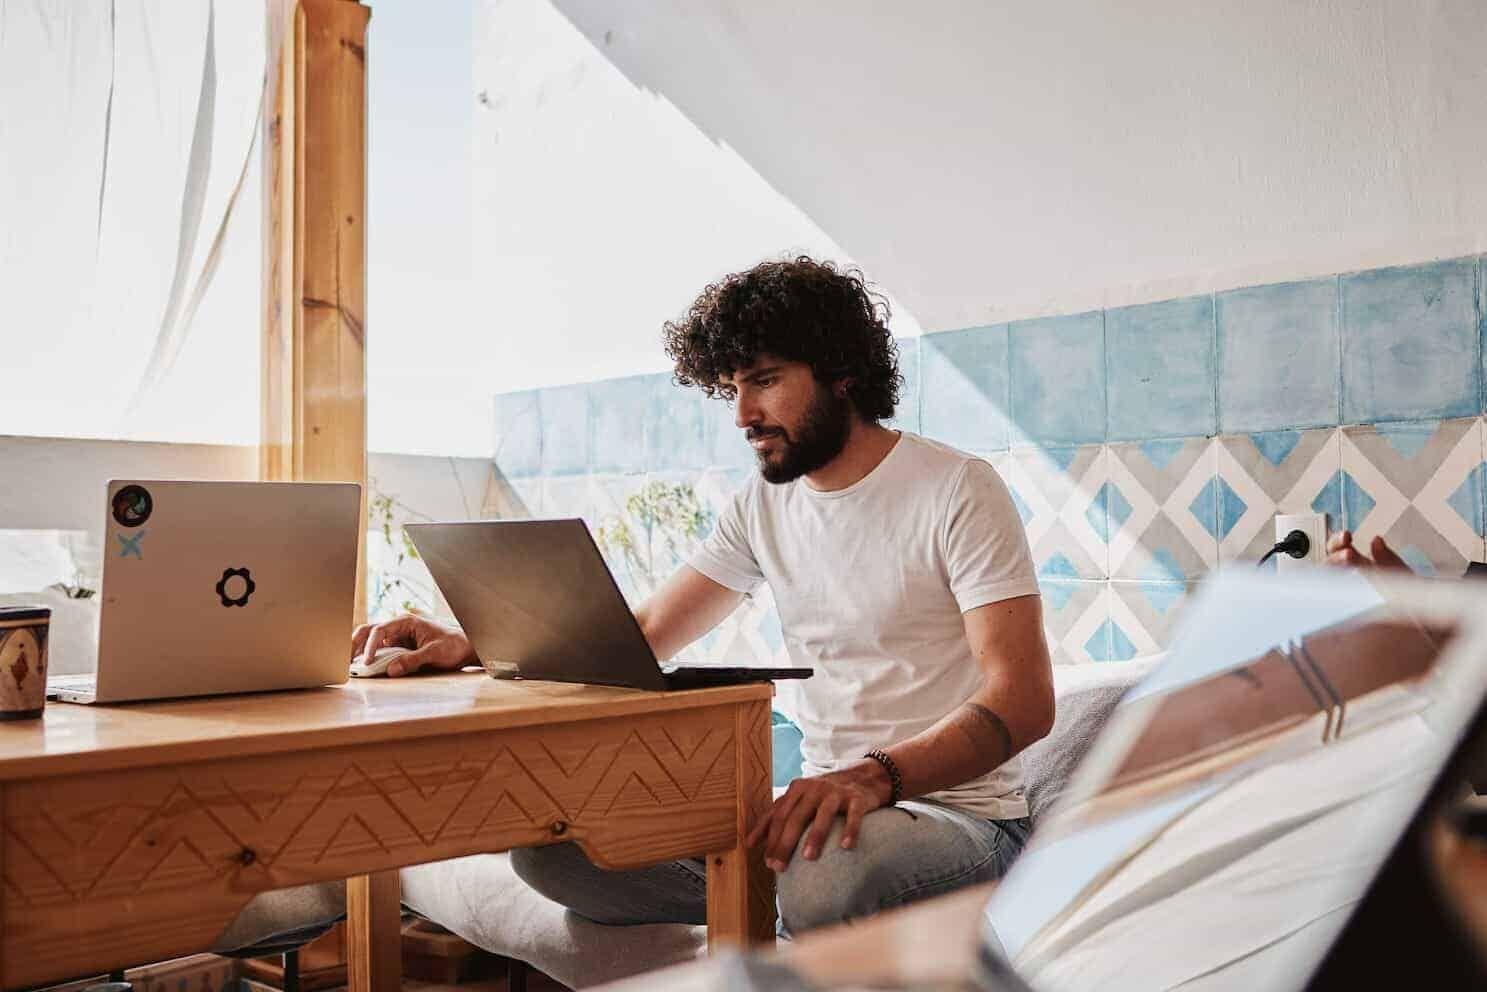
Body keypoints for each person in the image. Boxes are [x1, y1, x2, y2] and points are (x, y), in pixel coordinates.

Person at [351, 256, 1054, 937]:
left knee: (826, 874)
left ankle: (785, 911)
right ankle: (768, 913)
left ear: (842, 372)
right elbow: (649, 628)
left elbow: (1021, 699)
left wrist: (870, 779)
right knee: (560, 853)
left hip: (958, 822)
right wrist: (473, 643)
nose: (743, 413)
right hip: (826, 816)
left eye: (766, 381)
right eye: (732, 389)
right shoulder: (762, 506)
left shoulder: (957, 488)